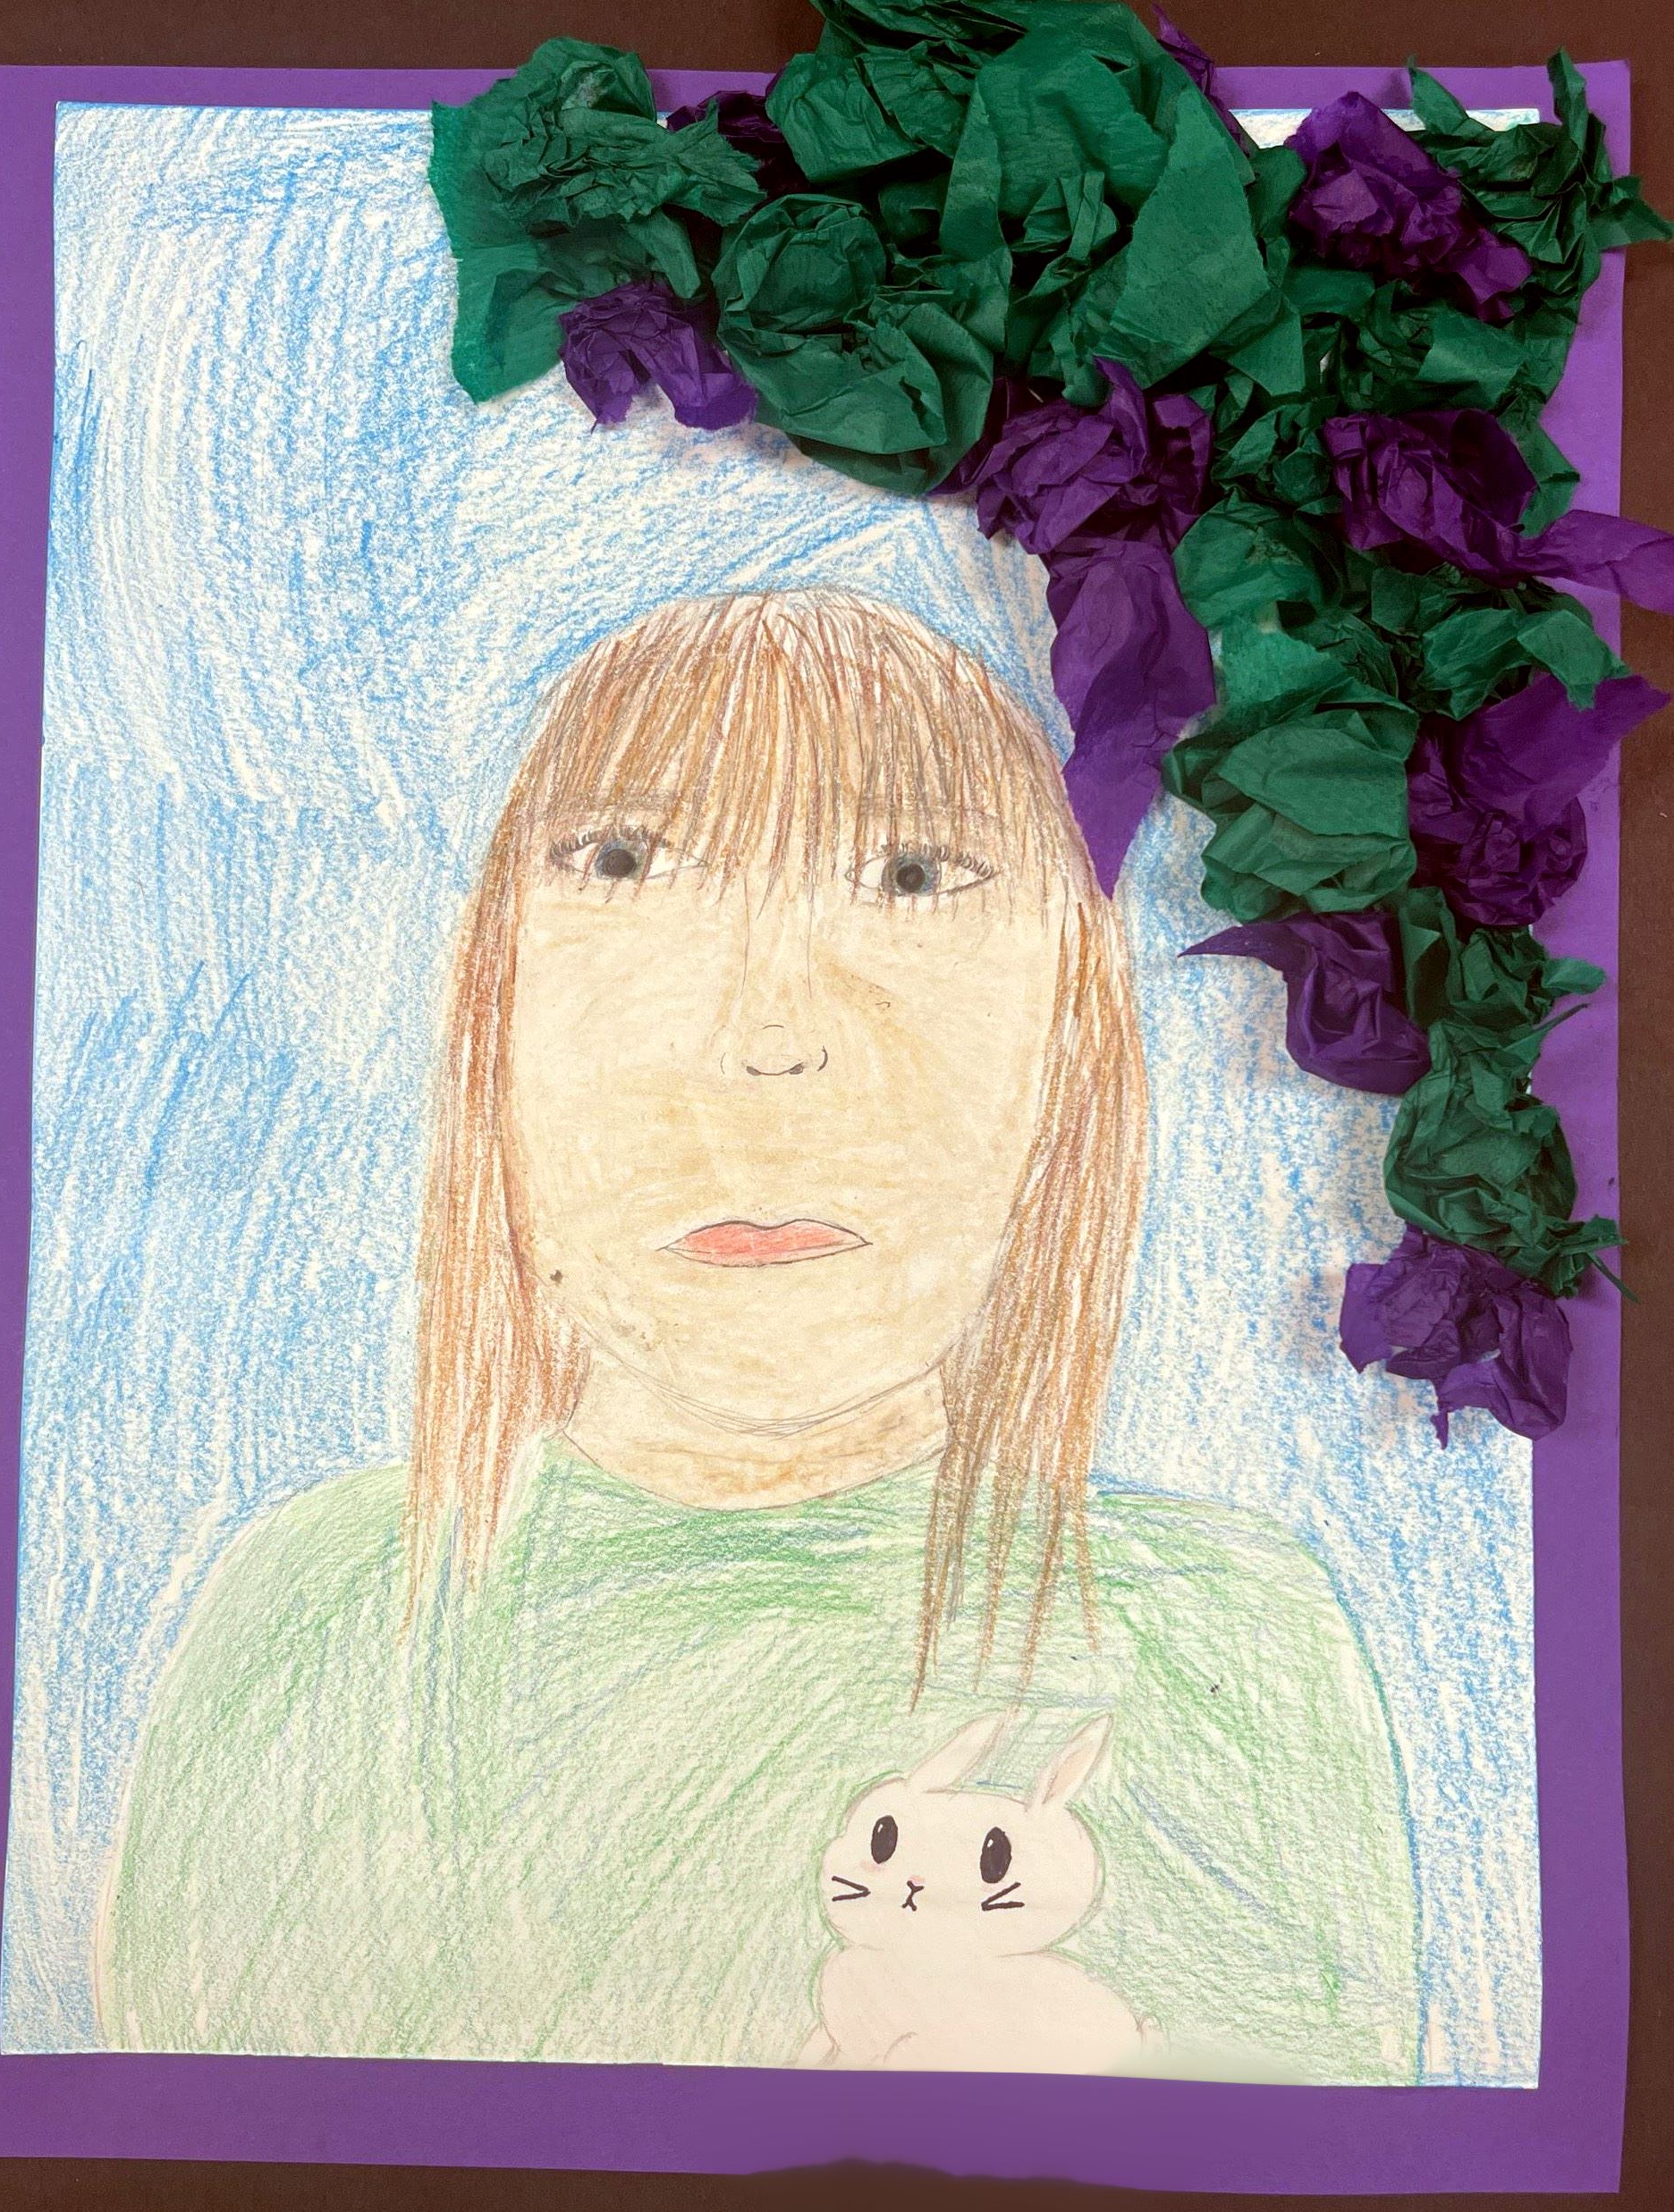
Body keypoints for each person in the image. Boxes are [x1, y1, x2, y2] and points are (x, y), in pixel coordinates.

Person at [96, 590, 1418, 2079]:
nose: (769, 1036)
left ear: (1071, 1032)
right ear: (491, 1010)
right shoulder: (314, 1626)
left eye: (914, 875)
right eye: (624, 860)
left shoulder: (1225, 1651)